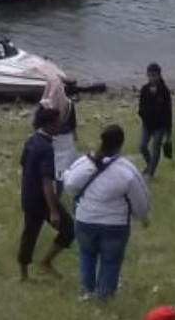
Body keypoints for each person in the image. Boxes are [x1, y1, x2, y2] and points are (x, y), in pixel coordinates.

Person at [62, 124, 151, 302]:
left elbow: (70, 184)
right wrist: (143, 218)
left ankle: (87, 292)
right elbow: (140, 198)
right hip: (115, 225)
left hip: (85, 221)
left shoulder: (84, 163)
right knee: (111, 262)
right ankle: (105, 297)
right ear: (121, 144)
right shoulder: (127, 170)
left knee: (86, 256)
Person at [17, 105, 73, 281]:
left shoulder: (31, 140)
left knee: (30, 233)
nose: (60, 126)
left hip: (28, 194)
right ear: (48, 124)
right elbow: (47, 182)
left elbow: (23, 163)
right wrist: (53, 210)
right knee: (69, 228)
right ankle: (46, 262)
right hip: (42, 198)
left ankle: (23, 275)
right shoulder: (46, 148)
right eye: (57, 122)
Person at [136, 63, 173, 179]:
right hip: (147, 124)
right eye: (150, 75)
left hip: (160, 126)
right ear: (147, 75)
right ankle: (149, 164)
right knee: (142, 146)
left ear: (159, 75)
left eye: (155, 75)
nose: (152, 78)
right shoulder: (144, 89)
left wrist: (168, 131)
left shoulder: (164, 91)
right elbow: (141, 106)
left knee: (156, 148)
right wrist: (142, 115)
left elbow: (168, 112)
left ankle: (151, 172)